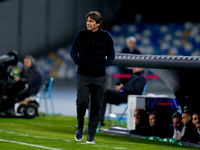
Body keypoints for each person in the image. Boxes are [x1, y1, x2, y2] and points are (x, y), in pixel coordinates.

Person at [70, 11, 115, 144]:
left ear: (98, 23)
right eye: (87, 21)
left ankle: (91, 135)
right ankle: (80, 127)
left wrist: (104, 66)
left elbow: (112, 55)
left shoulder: (106, 37)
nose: (88, 23)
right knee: (82, 102)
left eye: (91, 21)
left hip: (99, 77)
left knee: (96, 106)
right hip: (83, 75)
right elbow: (73, 51)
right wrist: (78, 62)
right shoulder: (80, 34)